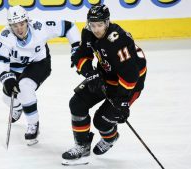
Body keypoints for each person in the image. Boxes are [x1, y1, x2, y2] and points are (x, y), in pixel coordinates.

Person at [61, 4, 147, 165]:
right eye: (93, 25)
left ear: (107, 22)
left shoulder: (117, 40)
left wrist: (122, 101)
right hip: (107, 74)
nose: (96, 29)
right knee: (76, 104)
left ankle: (111, 137)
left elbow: (130, 75)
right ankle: (82, 147)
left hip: (130, 83)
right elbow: (81, 56)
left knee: (101, 121)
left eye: (100, 25)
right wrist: (90, 73)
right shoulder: (88, 32)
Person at [0, 5, 80, 146]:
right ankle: (18, 107)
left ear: (27, 20)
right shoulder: (5, 36)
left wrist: (76, 48)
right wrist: (6, 78)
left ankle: (33, 124)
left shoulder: (40, 27)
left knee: (24, 87)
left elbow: (69, 26)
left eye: (22, 23)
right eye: (15, 25)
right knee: (7, 98)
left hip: (39, 64)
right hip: (16, 69)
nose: (19, 28)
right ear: (10, 26)